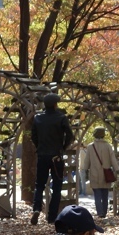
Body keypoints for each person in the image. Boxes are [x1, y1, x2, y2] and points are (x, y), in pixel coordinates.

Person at [30, 92, 75, 225]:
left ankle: (37, 209)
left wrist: (40, 147)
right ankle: (51, 217)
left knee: (39, 185)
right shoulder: (61, 118)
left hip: (42, 155)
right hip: (56, 157)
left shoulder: (37, 118)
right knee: (57, 187)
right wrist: (63, 147)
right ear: (55, 104)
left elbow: (33, 136)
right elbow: (70, 135)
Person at [79, 127, 119, 220]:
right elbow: (113, 160)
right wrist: (118, 170)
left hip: (94, 174)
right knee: (105, 195)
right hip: (106, 174)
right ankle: (104, 213)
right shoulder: (108, 146)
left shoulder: (90, 146)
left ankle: (100, 212)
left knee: (97, 194)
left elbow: (87, 161)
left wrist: (84, 170)